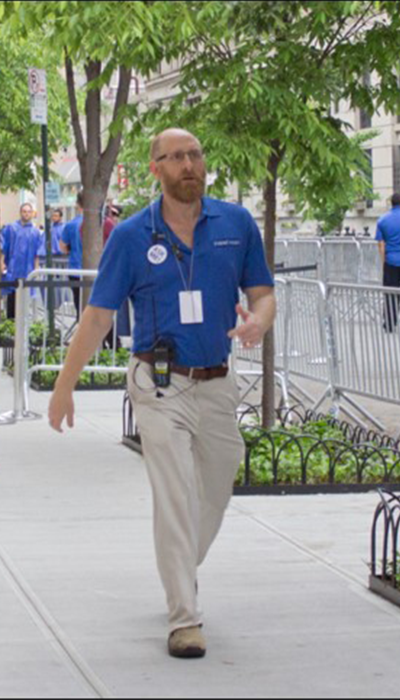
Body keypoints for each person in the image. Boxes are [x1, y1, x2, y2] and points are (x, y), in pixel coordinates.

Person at [48, 128, 276, 659]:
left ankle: (178, 567)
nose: (189, 164)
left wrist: (257, 324)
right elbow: (98, 316)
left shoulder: (236, 224)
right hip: (159, 384)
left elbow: (262, 293)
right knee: (174, 494)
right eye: (176, 158)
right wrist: (65, 386)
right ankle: (184, 616)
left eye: (195, 155)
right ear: (156, 169)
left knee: (216, 488)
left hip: (218, 381)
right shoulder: (131, 236)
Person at [0, 203, 42, 318]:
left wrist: (36, 268)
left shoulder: (35, 232)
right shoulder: (11, 228)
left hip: (27, 269)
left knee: (25, 299)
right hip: (12, 269)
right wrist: (2, 263)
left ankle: (23, 326)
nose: (26, 214)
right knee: (11, 299)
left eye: (29, 211)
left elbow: (37, 253)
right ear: (20, 212)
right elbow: (4, 247)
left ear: (32, 213)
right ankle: (10, 323)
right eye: (24, 211)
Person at [376, 192, 400, 332]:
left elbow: (381, 244)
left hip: (391, 262)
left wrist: (383, 261)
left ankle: (390, 323)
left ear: (391, 203)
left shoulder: (383, 220)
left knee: (390, 293)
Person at [60, 192, 83, 319]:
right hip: (97, 270)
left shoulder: (71, 225)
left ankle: (83, 333)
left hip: (75, 269)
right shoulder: (99, 222)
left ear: (77, 204)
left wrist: (70, 250)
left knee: (78, 302)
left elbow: (62, 246)